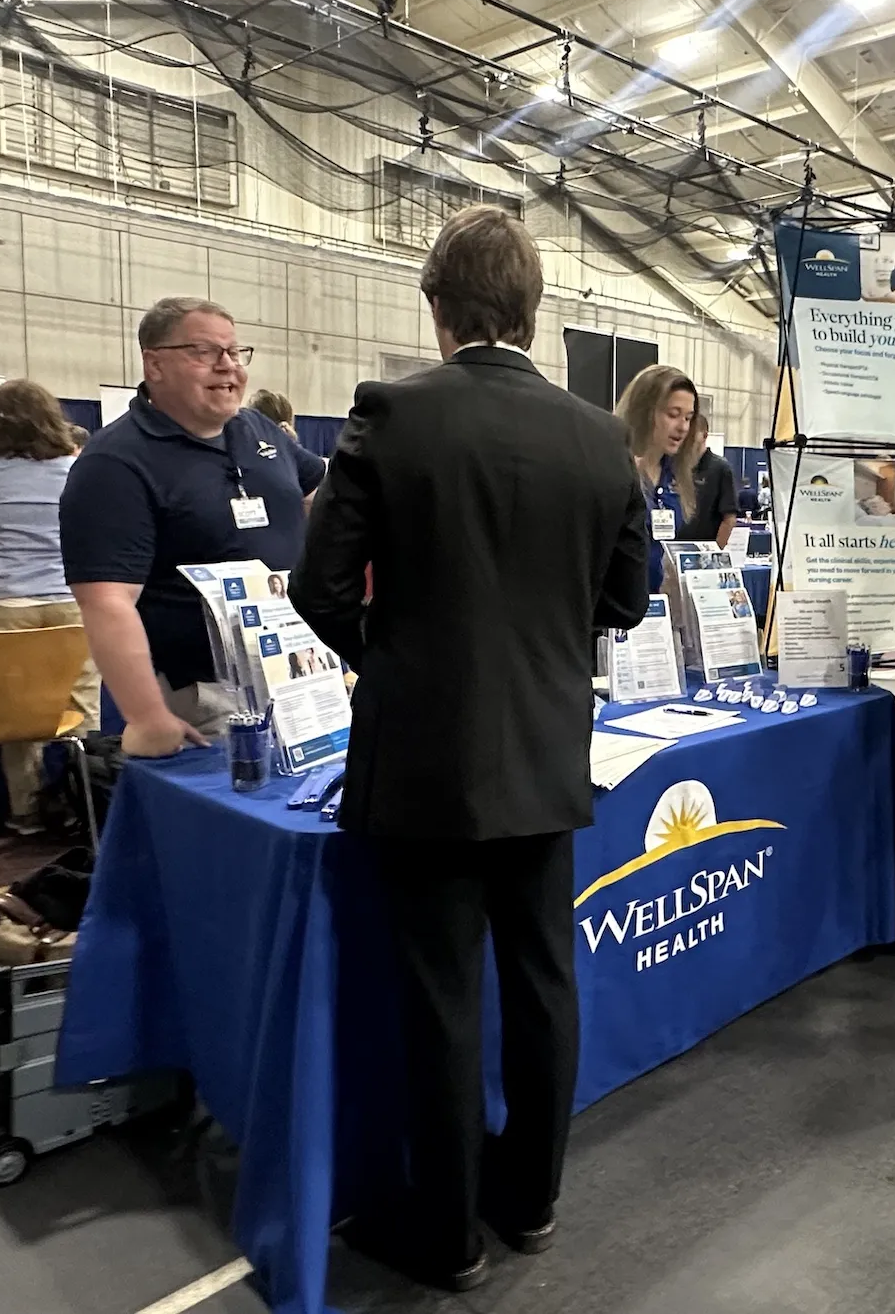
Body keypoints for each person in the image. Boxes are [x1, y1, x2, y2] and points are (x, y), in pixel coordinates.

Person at [289, 204, 649, 1292]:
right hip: (546, 746)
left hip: (426, 759)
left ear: (436, 307)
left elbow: (315, 582)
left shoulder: (392, 412)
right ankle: (531, 1200)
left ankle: (445, 1236)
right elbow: (625, 600)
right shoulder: (599, 436)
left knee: (441, 995)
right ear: (532, 312)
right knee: (544, 980)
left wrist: (391, 657)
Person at [61, 297, 326, 757]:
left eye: (235, 352)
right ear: (155, 363)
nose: (228, 367)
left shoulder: (258, 430)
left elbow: (316, 491)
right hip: (207, 694)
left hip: (301, 670)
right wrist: (148, 717)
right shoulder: (115, 463)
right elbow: (106, 602)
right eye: (204, 352)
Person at [0, 381, 101, 834]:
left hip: (6, 600)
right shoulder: (79, 470)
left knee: (15, 711)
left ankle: (26, 812)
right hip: (72, 598)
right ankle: (86, 803)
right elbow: (92, 539)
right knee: (83, 703)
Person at [616, 364, 699, 592]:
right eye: (673, 415)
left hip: (658, 611)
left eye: (688, 418)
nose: (682, 427)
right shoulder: (615, 466)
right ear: (645, 411)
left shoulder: (676, 474)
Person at [676, 414, 737, 547]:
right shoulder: (675, 466)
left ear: (704, 435)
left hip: (702, 552)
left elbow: (729, 519)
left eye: (693, 433)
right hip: (672, 551)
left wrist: (713, 553)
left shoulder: (720, 468)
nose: (687, 438)